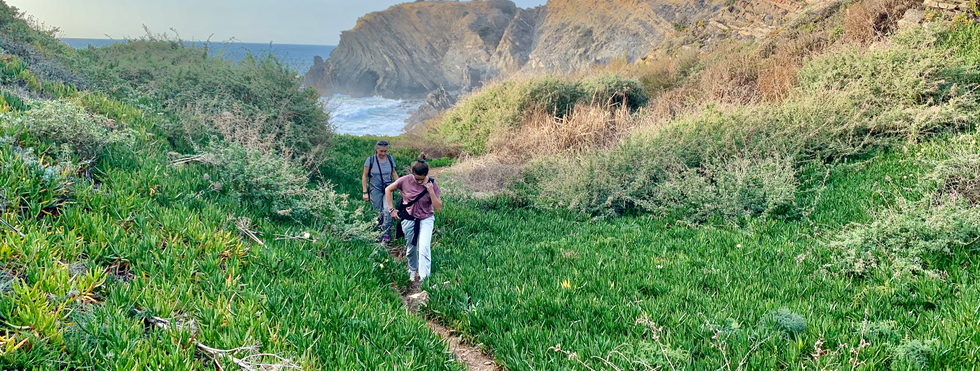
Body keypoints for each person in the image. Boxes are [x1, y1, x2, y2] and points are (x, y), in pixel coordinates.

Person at [385, 155, 442, 285]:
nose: (419, 182)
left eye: (422, 180)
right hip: (409, 218)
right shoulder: (404, 180)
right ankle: (412, 270)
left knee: (424, 248)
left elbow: (438, 207)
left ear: (427, 175)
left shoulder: (432, 184)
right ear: (412, 174)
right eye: (417, 179)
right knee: (411, 248)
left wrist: (431, 191)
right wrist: (391, 209)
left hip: (426, 218)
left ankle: (424, 278)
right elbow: (388, 189)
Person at [362, 140, 398, 244]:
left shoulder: (390, 159)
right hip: (375, 189)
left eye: (385, 151)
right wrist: (365, 192)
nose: (383, 154)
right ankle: (378, 232)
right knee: (378, 212)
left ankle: (386, 233)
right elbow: (364, 175)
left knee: (388, 210)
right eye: (381, 151)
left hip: (388, 188)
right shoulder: (370, 160)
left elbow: (394, 173)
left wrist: (400, 185)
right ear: (376, 149)